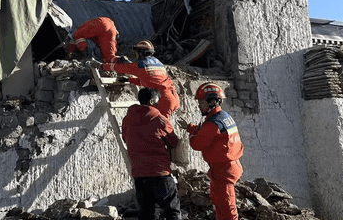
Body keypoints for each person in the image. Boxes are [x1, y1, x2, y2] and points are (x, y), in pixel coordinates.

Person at [177, 82, 244, 220]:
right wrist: (190, 127)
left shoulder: (213, 123)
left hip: (223, 171)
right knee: (220, 204)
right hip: (229, 166)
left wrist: (191, 135)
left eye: (202, 102)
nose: (199, 105)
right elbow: (208, 132)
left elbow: (197, 143)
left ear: (212, 102)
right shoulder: (222, 117)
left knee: (227, 208)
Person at [122, 87, 181, 220]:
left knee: (146, 213)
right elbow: (174, 143)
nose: (158, 104)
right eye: (157, 101)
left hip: (139, 175)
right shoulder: (160, 120)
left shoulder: (128, 119)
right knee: (172, 212)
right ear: (152, 101)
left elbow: (125, 138)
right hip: (160, 174)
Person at [101, 40, 180, 117]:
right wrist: (129, 80)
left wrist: (102, 66)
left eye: (137, 52)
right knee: (161, 126)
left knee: (161, 128)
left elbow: (119, 67)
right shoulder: (158, 63)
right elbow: (149, 81)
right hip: (174, 97)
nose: (136, 55)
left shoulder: (141, 65)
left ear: (141, 53)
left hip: (163, 99)